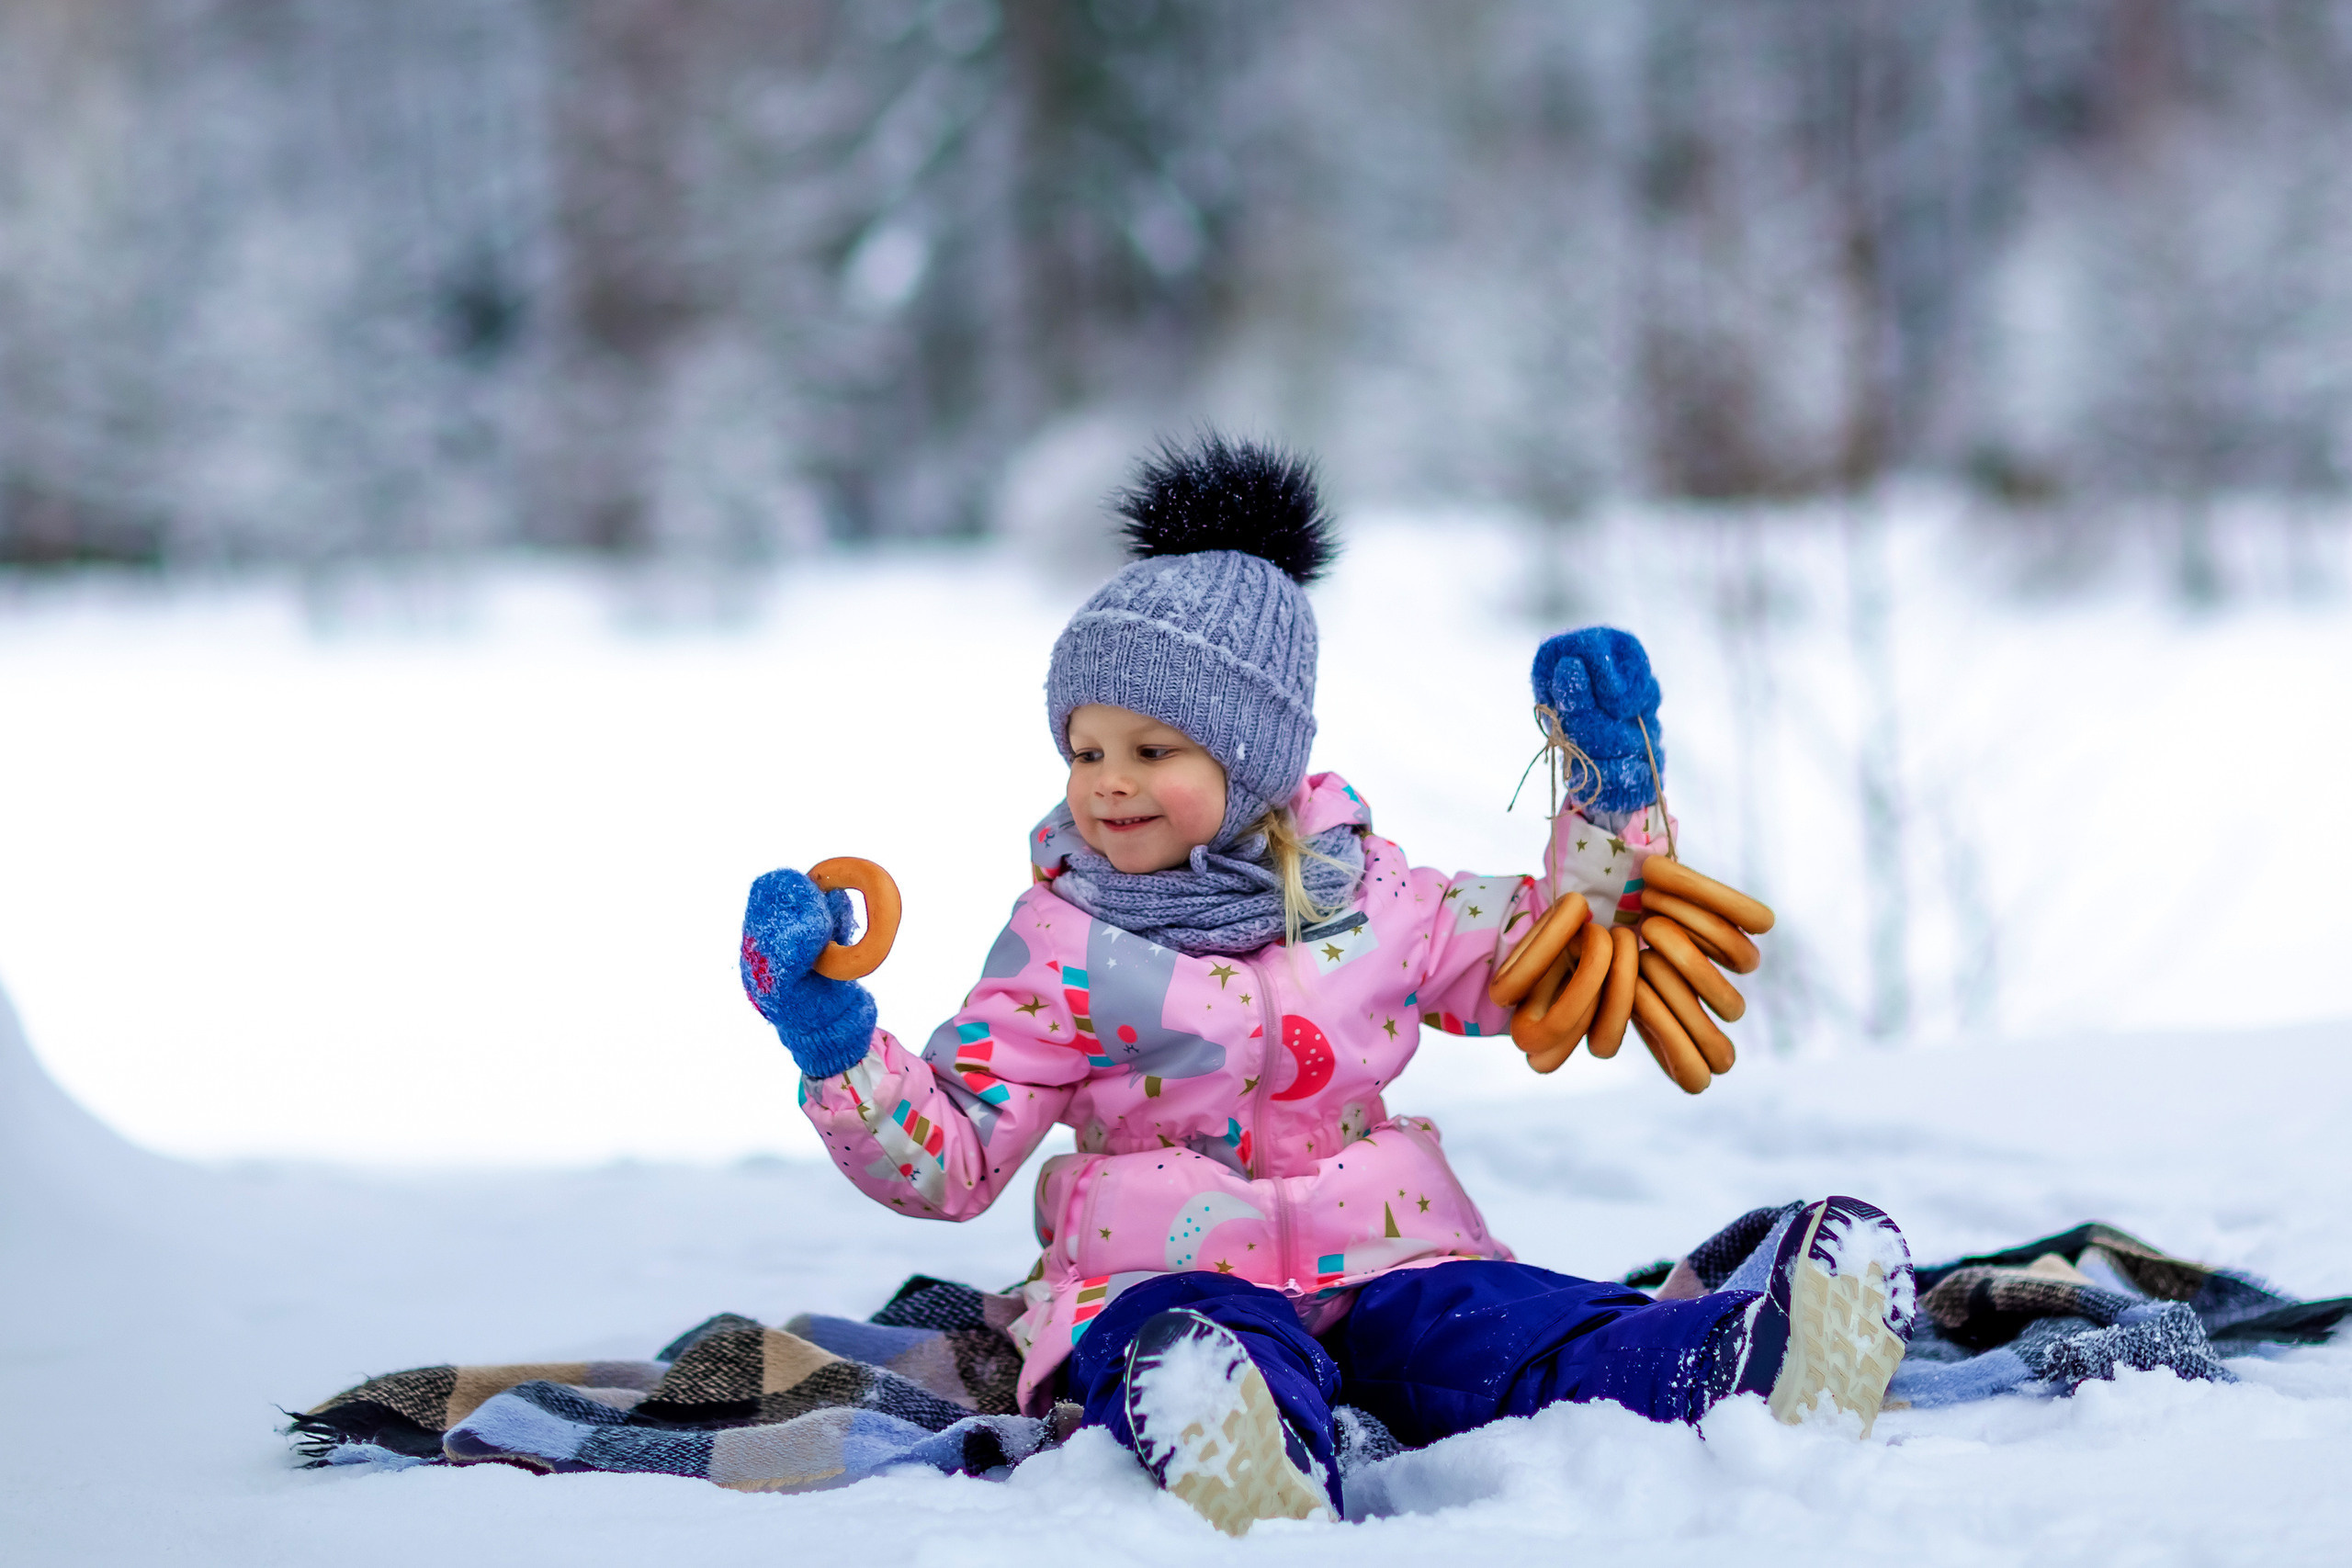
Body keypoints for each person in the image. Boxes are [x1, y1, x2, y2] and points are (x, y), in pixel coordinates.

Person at [739, 433, 1914, 1534]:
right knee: (1192, 1334)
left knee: (1512, 1330)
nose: (1107, 785)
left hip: (1393, 1256)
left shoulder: (1374, 900)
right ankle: (1229, 1431)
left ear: (1253, 760)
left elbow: (1568, 956)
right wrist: (834, 1039)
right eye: (1084, 750)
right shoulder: (1059, 942)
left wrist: (1610, 797)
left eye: (1153, 752)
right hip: (1160, 1270)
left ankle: (1743, 1359)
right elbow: (954, 1159)